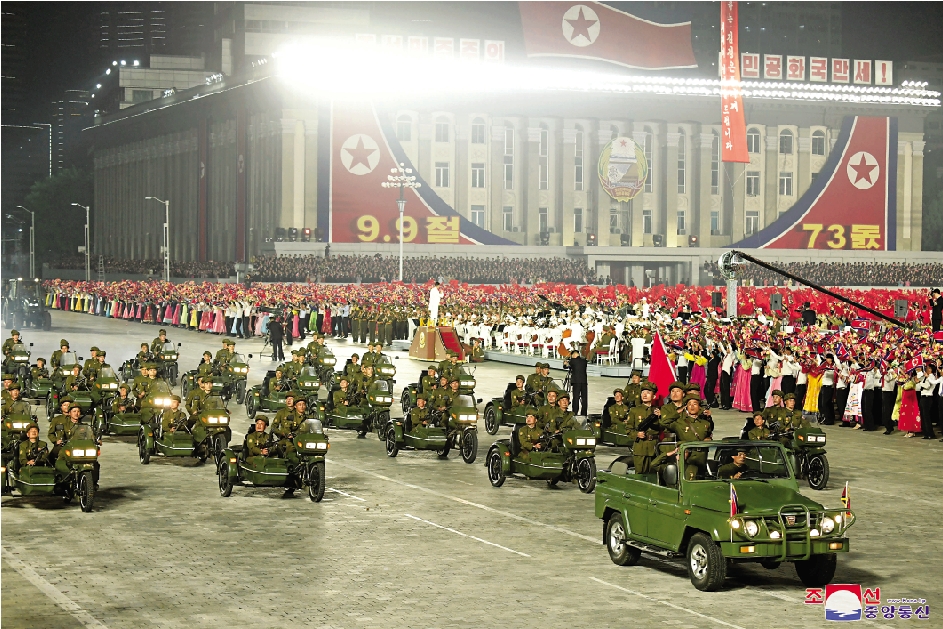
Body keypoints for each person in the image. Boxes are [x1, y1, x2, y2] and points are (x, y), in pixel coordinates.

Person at [659, 394, 712, 480]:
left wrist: (709, 439)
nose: (692, 406)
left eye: (695, 404)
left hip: (702, 458)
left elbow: (709, 434)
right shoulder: (680, 422)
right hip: (688, 459)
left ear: (699, 407)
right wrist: (677, 412)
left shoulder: (705, 423)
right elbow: (663, 422)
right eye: (689, 404)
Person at [625, 382, 661, 473]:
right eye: (643, 392)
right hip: (640, 448)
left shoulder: (658, 411)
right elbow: (628, 429)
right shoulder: (634, 410)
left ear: (653, 396)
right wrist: (637, 434)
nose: (645, 395)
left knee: (654, 475)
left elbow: (664, 427)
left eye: (648, 392)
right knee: (640, 475)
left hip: (654, 447)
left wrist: (661, 417)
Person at [565, 350, 588, 417]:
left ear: (573, 355)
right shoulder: (584, 361)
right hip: (584, 382)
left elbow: (565, 366)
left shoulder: (572, 361)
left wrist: (565, 363)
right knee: (584, 399)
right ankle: (584, 413)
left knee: (576, 398)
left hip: (576, 382)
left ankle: (575, 412)